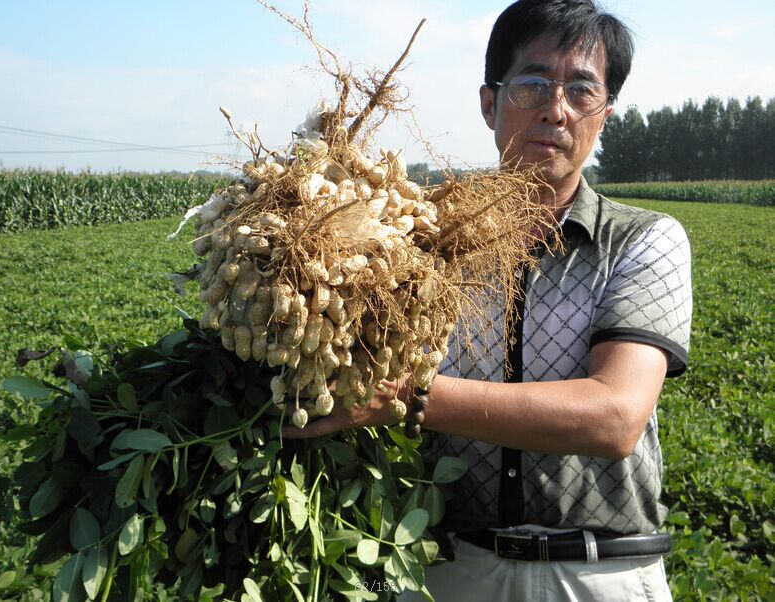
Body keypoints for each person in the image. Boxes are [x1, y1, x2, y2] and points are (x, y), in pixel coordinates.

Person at [284, 1, 693, 600]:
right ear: (488, 104)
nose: (555, 109)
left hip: (599, 573)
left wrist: (406, 397)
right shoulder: (416, 241)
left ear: (605, 115)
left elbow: (615, 416)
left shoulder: (642, 240)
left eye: (582, 91)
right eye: (532, 85)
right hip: (445, 568)